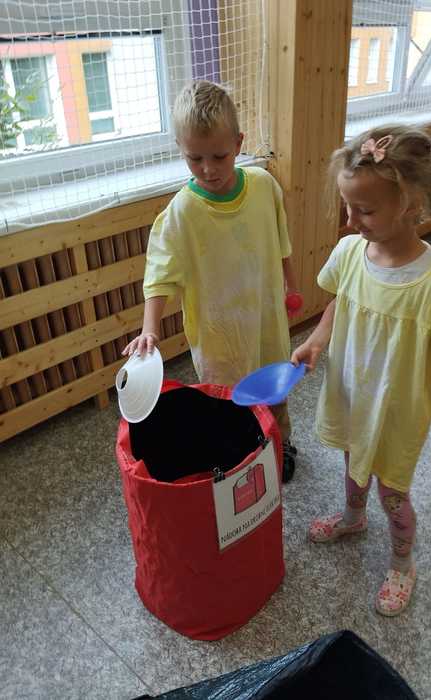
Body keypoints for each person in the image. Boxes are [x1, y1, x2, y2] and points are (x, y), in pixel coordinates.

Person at [291, 126, 431, 614]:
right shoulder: (351, 253)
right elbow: (340, 302)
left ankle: (402, 562)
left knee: (392, 491)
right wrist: (315, 341)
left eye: (365, 211)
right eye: (348, 207)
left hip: (396, 411)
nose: (351, 220)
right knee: (353, 464)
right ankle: (353, 518)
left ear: (411, 205)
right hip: (352, 392)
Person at [123, 80, 301, 482]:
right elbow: (159, 275)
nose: (208, 169)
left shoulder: (264, 187)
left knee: (274, 389)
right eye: (195, 158)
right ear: (180, 149)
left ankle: (282, 443)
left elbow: (281, 240)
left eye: (219, 156)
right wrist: (149, 329)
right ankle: (242, 456)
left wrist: (291, 285)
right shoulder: (181, 213)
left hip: (266, 320)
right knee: (230, 402)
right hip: (220, 336)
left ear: (238, 143)